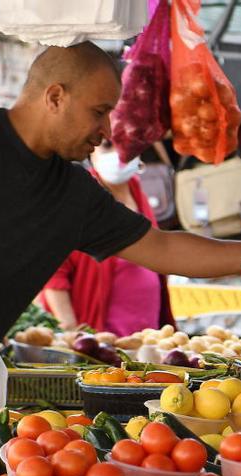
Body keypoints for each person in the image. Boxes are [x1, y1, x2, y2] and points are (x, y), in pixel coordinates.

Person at [0, 42, 241, 418]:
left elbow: (162, 248)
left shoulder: (76, 194)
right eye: (99, 111)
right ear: (55, 96)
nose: (107, 131)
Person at [41, 141, 176, 336]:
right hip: (103, 344)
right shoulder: (81, 199)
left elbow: (158, 252)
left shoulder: (137, 191)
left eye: (125, 145)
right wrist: (73, 333)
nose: (119, 154)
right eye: (107, 146)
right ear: (91, 151)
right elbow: (54, 275)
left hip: (147, 338)